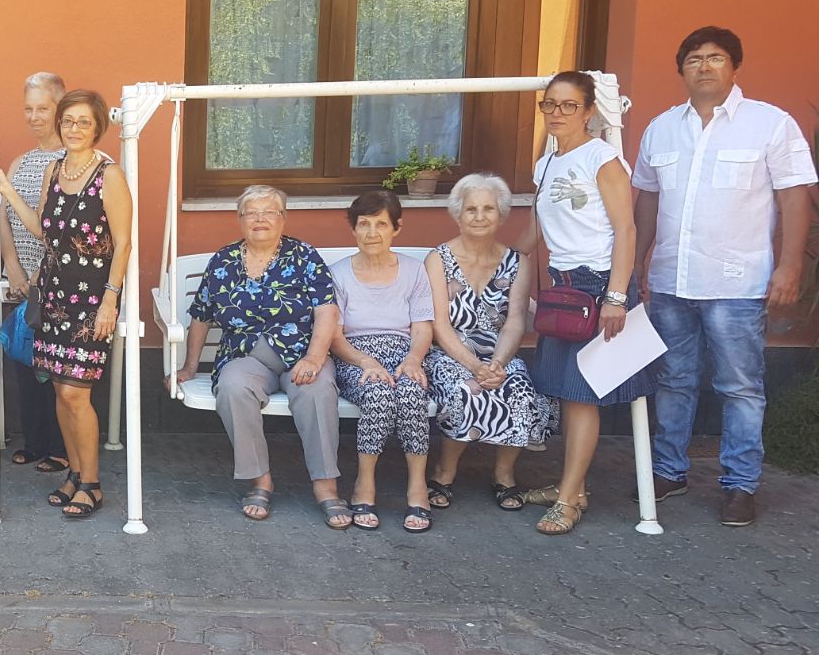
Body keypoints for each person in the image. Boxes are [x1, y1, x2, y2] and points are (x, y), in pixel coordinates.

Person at [633, 27, 816, 527]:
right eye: (694, 59)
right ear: (682, 70)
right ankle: (667, 471)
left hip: (737, 283)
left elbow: (794, 197)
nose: (704, 66)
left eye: (716, 57)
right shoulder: (661, 128)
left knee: (740, 387)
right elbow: (647, 199)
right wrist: (638, 261)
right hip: (671, 281)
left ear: (734, 66)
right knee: (673, 380)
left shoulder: (769, 124)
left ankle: (740, 485)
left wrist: (790, 265)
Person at [0, 89, 132, 520]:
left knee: (75, 391)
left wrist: (110, 300)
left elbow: (123, 243)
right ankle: (74, 472)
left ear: (98, 127)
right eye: (68, 121)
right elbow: (41, 229)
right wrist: (6, 188)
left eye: (83, 122)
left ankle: (92, 484)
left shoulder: (110, 175)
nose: (74, 128)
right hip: (53, 296)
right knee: (59, 389)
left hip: (91, 300)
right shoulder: (53, 170)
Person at [522, 70, 654, 535]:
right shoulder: (545, 164)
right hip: (562, 286)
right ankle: (571, 488)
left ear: (589, 111)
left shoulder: (602, 157)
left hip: (595, 283)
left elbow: (626, 230)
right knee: (567, 392)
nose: (557, 113)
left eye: (569, 105)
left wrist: (615, 297)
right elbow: (537, 227)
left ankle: (568, 501)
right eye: (550, 104)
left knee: (582, 396)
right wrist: (503, 259)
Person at [174, 186, 343, 525]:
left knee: (316, 390)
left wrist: (314, 358)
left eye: (269, 212)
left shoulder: (304, 256)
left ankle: (326, 485)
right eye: (251, 213)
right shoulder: (223, 261)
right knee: (233, 387)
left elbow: (327, 311)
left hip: (301, 353)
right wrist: (190, 367)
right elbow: (201, 315)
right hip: (246, 356)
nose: (260, 219)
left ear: (283, 218)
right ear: (240, 220)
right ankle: (260, 480)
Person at [422, 173, 558, 510]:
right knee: (465, 389)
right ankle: (445, 471)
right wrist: (474, 366)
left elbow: (515, 321)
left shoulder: (518, 263)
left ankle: (504, 474)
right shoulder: (438, 260)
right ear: (458, 214)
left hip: (500, 354)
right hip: (449, 354)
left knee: (521, 390)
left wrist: (497, 363)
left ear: (501, 214)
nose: (479, 216)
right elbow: (439, 325)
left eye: (488, 209)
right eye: (471, 209)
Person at [329, 191, 436, 533]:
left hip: (404, 353)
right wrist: (366, 362)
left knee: (412, 392)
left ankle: (418, 486)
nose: (372, 233)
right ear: (353, 229)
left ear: (396, 228)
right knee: (377, 393)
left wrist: (414, 359)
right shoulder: (338, 274)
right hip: (354, 356)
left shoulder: (414, 271)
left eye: (381, 224)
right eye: (363, 224)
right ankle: (365, 483)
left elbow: (422, 326)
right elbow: (335, 336)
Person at [0, 72, 69, 476]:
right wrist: (12, 267)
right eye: (28, 108)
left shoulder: (77, 160)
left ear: (60, 108)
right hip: (22, 281)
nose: (34, 116)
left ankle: (61, 446)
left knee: (57, 367)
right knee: (26, 361)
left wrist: (43, 273)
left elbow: (64, 228)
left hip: (60, 282)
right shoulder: (20, 162)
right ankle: (35, 441)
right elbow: (4, 216)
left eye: (43, 108)